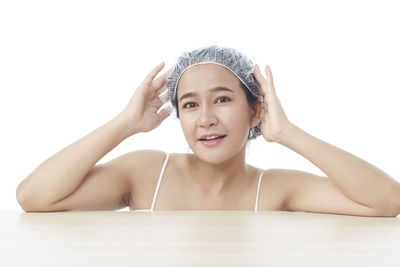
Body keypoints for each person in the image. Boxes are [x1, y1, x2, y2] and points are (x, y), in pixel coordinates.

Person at [16, 45, 400, 216]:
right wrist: (125, 124)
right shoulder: (147, 172)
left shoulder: (277, 189)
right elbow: (34, 197)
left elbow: (386, 201)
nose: (205, 119)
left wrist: (287, 133)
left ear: (255, 110)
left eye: (221, 99)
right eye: (190, 104)